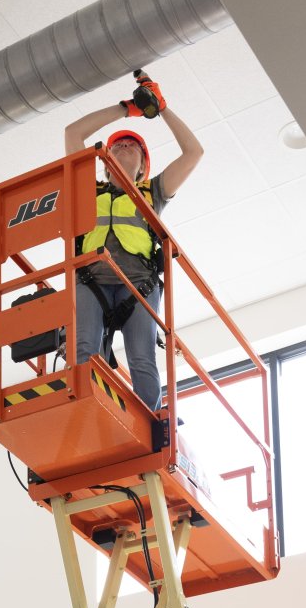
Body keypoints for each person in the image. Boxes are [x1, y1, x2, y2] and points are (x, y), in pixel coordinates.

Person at [63, 75, 203, 419]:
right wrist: (128, 110)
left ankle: (150, 425)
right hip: (91, 281)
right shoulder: (87, 190)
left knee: (142, 356)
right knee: (84, 351)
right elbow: (72, 134)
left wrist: (163, 109)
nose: (123, 146)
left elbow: (193, 152)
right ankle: (86, 414)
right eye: (116, 145)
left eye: (132, 146)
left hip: (138, 285)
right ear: (104, 158)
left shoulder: (152, 193)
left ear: (143, 165)